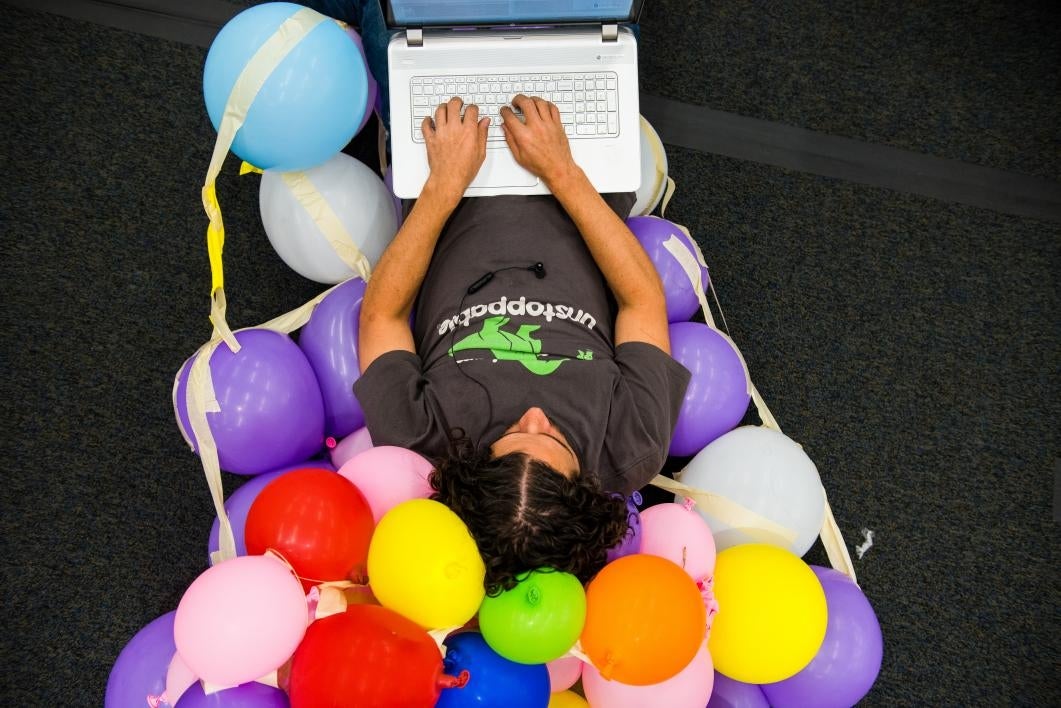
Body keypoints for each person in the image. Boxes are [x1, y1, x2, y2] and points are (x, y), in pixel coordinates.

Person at [354, 94, 690, 595]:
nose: (534, 414)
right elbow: (641, 302)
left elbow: (383, 315)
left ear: (471, 472)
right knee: (595, 20)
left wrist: (445, 183)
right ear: (590, 489)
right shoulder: (631, 444)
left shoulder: (418, 444)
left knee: (399, 25)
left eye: (511, 433)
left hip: (452, 170)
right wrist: (561, 170)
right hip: (576, 167)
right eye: (553, 438)